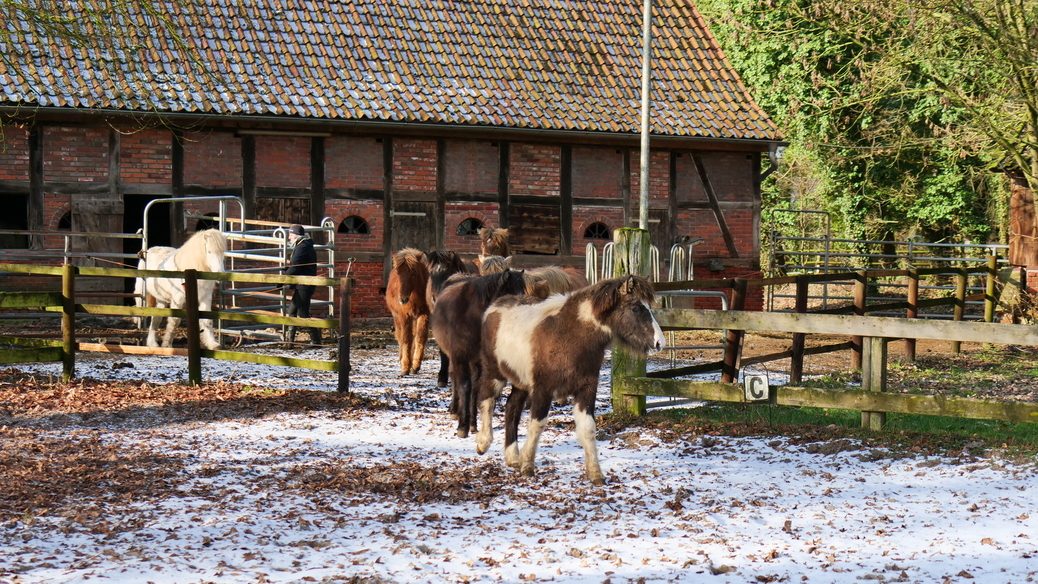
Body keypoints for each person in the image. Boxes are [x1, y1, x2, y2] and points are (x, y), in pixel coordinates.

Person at [284, 224, 321, 345]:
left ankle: (316, 340)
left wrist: (283, 278)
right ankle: (290, 342)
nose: (289, 238)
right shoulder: (303, 246)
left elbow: (295, 267)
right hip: (302, 284)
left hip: (305, 284)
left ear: (296, 235)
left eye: (290, 235)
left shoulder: (302, 247)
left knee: (303, 312)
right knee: (292, 311)